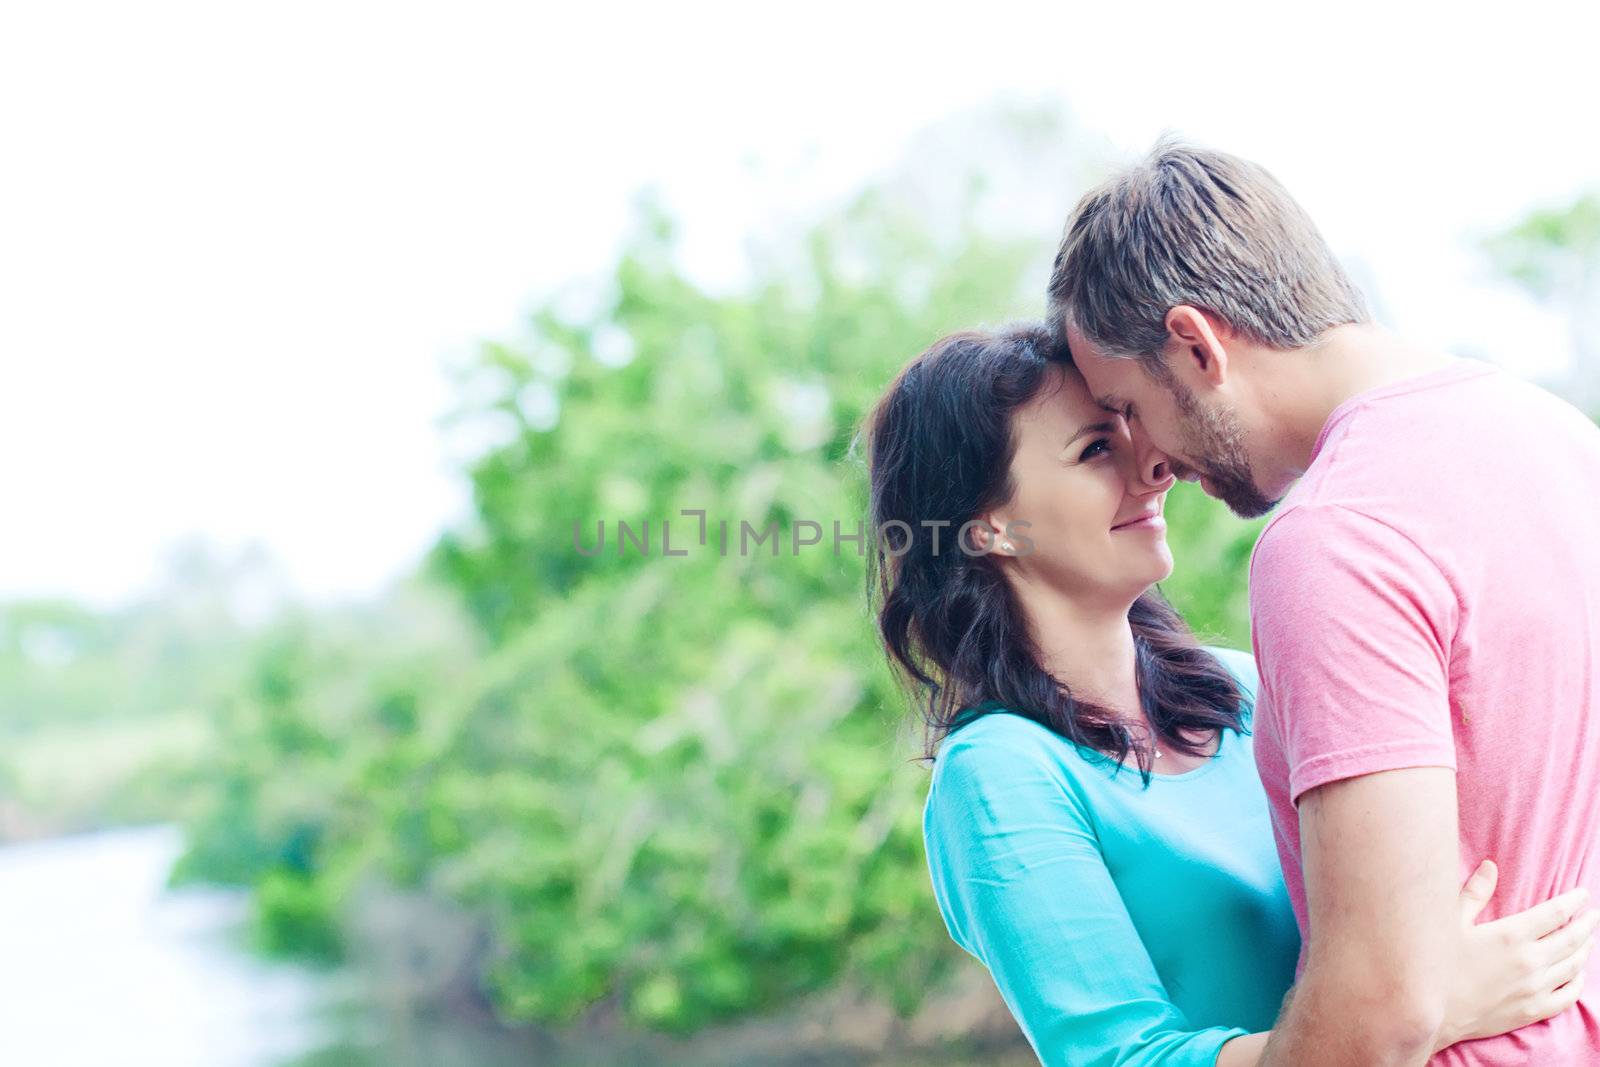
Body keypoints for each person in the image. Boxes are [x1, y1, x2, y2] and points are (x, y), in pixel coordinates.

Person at [863, 324, 1593, 1066]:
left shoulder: (1244, 684)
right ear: (991, 529)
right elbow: (1119, 1058)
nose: (1153, 468)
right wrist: (1418, 1013)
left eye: (1133, 432)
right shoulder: (997, 773)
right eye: (1094, 450)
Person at [1049, 141, 1600, 1065]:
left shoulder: (1334, 535)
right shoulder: (1562, 437)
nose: (1151, 458)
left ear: (1196, 344)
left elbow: (1381, 1007)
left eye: (1130, 404)